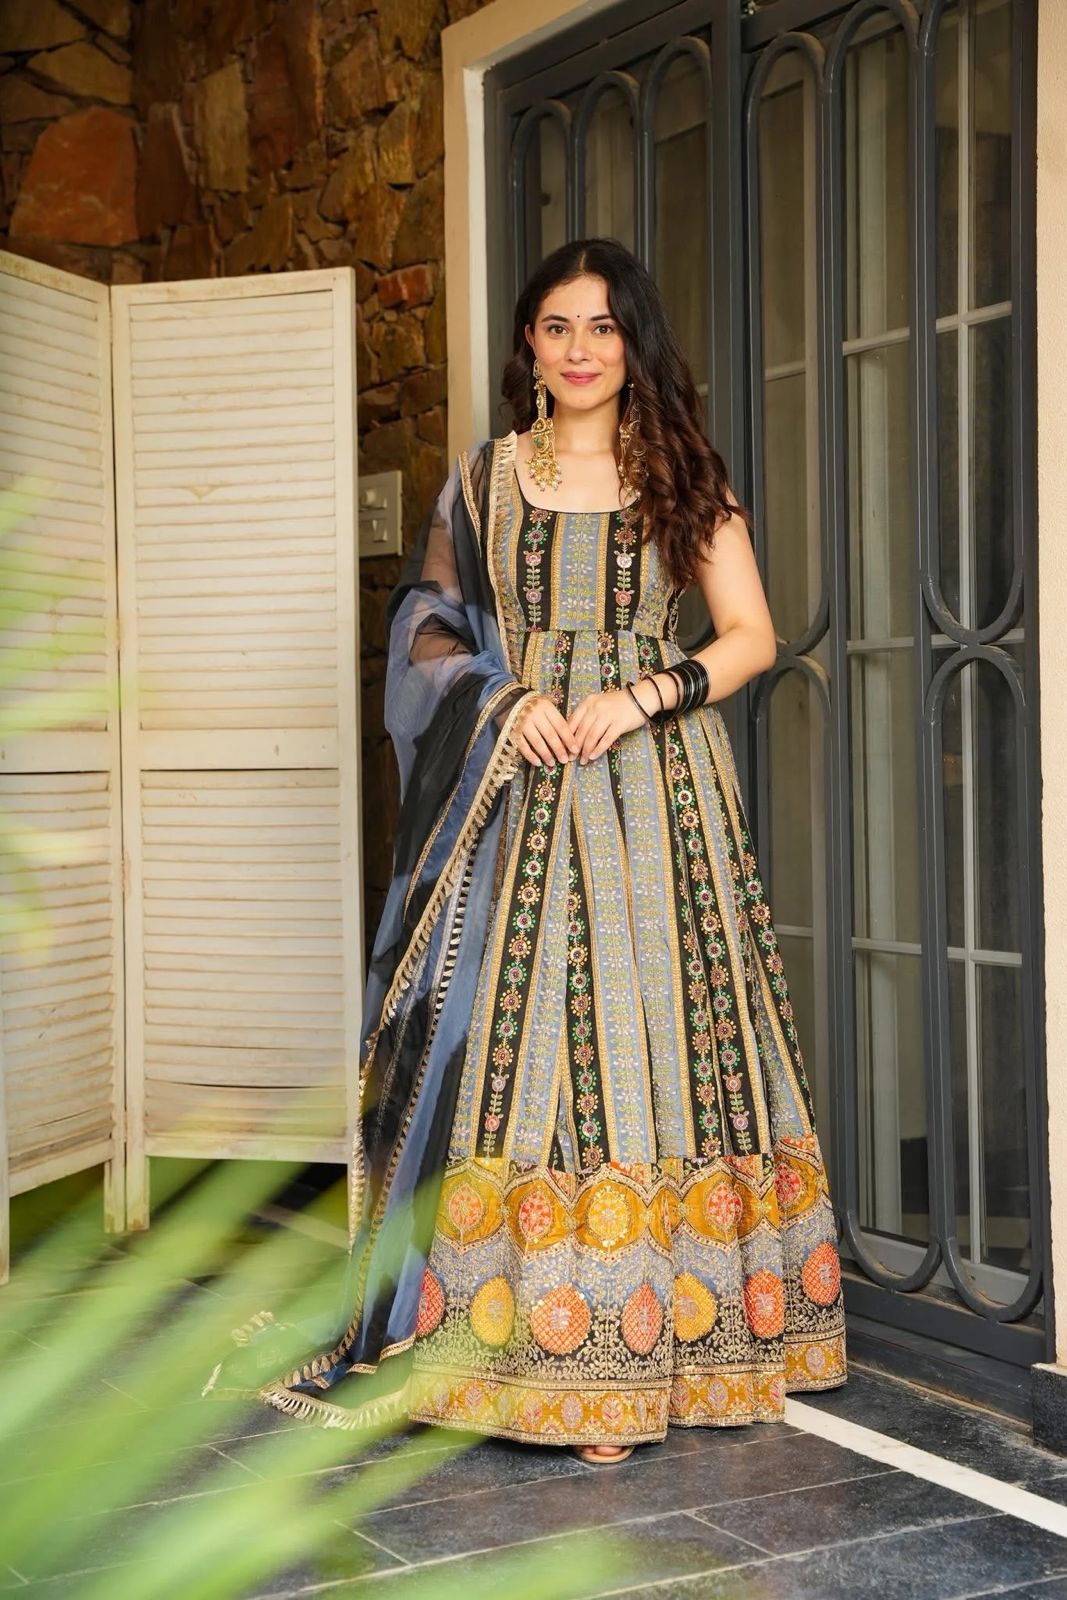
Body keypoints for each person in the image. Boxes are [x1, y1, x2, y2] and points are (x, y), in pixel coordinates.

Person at [203, 237, 847, 1464]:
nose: (580, 349)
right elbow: (424, 624)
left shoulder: (682, 476)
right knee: (519, 1054)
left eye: (602, 326)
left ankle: (646, 1352)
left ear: (633, 343)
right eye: (557, 327)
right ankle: (521, 1353)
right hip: (516, 793)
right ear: (528, 347)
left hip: (655, 802)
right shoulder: (484, 483)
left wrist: (643, 696)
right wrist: (503, 701)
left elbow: (749, 634)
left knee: (651, 1049)